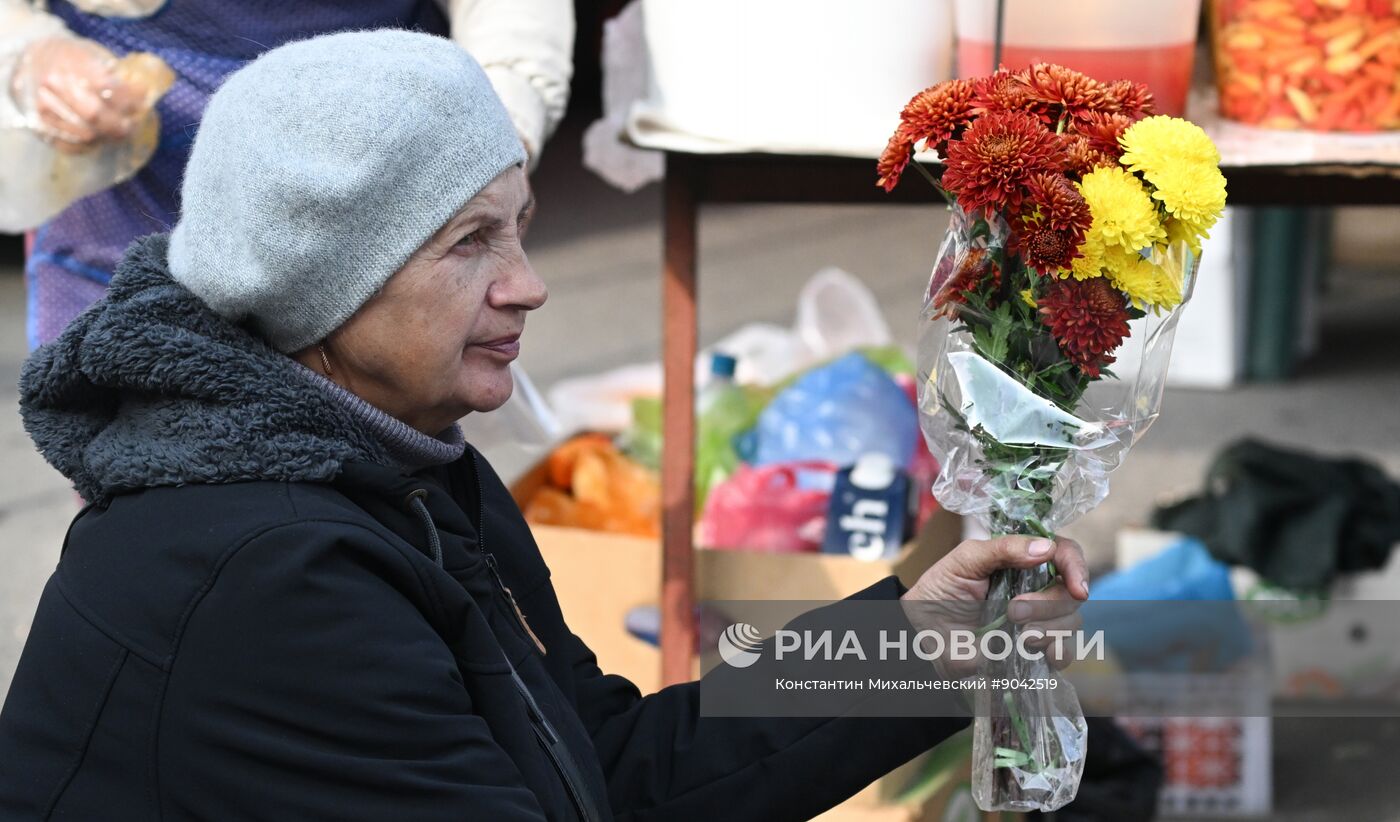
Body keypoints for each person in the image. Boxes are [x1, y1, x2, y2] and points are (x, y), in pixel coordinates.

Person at [0, 31, 1089, 820]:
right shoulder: (270, 571)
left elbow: (596, 767)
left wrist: (914, 646)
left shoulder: (407, 470)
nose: (528, 284)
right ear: (324, 280)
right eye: (470, 242)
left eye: (519, 229)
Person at [1, 0, 573, 350]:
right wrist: (30, 54)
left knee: (369, 450)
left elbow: (511, 13)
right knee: (138, 449)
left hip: (377, 167)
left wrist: (496, 133)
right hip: (124, 191)